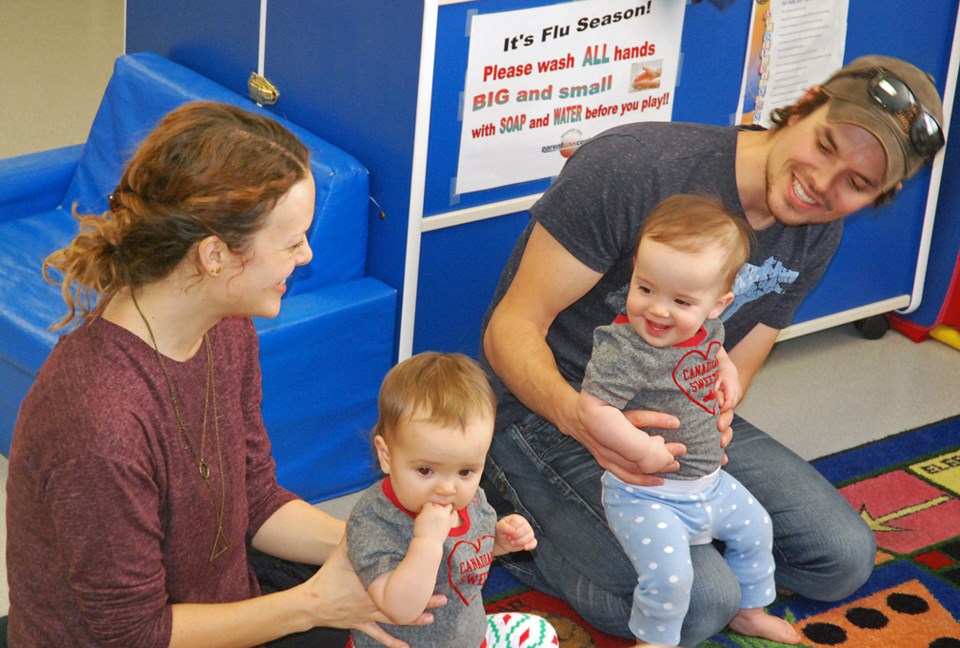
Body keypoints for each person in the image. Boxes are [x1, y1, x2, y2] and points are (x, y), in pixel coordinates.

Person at [479, 54, 945, 646]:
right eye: (825, 146)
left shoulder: (820, 227)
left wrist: (716, 418)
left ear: (885, 192)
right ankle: (505, 527)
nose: (824, 186)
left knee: (844, 559)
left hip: (678, 417)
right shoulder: (633, 166)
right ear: (803, 105)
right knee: (702, 604)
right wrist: (583, 420)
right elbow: (509, 329)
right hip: (544, 411)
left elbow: (739, 366)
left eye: (857, 183)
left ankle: (666, 543)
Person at [6, 101, 440, 648]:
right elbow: (133, 634)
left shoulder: (226, 326)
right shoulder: (99, 420)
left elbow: (255, 500)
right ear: (214, 254)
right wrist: (310, 606)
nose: (306, 255)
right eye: (291, 241)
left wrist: (382, 544)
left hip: (226, 605)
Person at [580, 195, 799, 646]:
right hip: (647, 494)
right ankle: (653, 640)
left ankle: (749, 611)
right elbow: (593, 408)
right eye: (645, 289)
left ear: (718, 305)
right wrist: (642, 449)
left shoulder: (707, 329)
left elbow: (714, 350)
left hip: (711, 483)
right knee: (672, 579)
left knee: (758, 529)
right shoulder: (625, 348)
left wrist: (729, 374)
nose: (658, 310)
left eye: (680, 300)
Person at [346, 352, 559, 648]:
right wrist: (427, 543)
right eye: (425, 470)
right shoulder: (374, 519)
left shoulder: (472, 502)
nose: (447, 488)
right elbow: (399, 608)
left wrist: (498, 540)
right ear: (387, 455)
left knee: (538, 634)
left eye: (466, 471)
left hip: (467, 637)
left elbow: (464, 556)